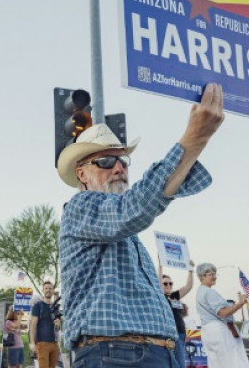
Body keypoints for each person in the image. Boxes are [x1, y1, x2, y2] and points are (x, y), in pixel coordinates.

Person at [57, 84, 225, 368]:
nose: (119, 167)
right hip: (116, 355)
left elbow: (153, 197)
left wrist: (200, 139)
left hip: (159, 354)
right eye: (106, 161)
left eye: (123, 160)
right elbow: (137, 205)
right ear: (82, 174)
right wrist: (194, 137)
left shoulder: (126, 228)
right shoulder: (79, 208)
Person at [194, 262, 249, 368]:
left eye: (215, 274)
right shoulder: (209, 292)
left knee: (217, 363)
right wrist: (241, 303)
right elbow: (223, 313)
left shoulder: (199, 292)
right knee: (232, 362)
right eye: (211, 274)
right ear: (202, 276)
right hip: (219, 330)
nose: (214, 277)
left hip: (208, 331)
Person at [161, 259, 196, 368]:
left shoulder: (174, 296)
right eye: (165, 283)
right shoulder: (159, 297)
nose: (168, 285)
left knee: (180, 363)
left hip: (180, 334)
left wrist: (190, 270)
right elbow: (157, 281)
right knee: (172, 363)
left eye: (170, 283)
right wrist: (160, 265)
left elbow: (188, 286)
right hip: (169, 334)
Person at [30, 281, 62, 368]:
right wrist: (32, 343)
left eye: (50, 288)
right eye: (46, 288)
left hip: (55, 344)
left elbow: (58, 329)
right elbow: (33, 325)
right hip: (42, 344)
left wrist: (58, 324)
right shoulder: (38, 306)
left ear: (53, 290)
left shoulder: (56, 307)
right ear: (43, 290)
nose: (48, 290)